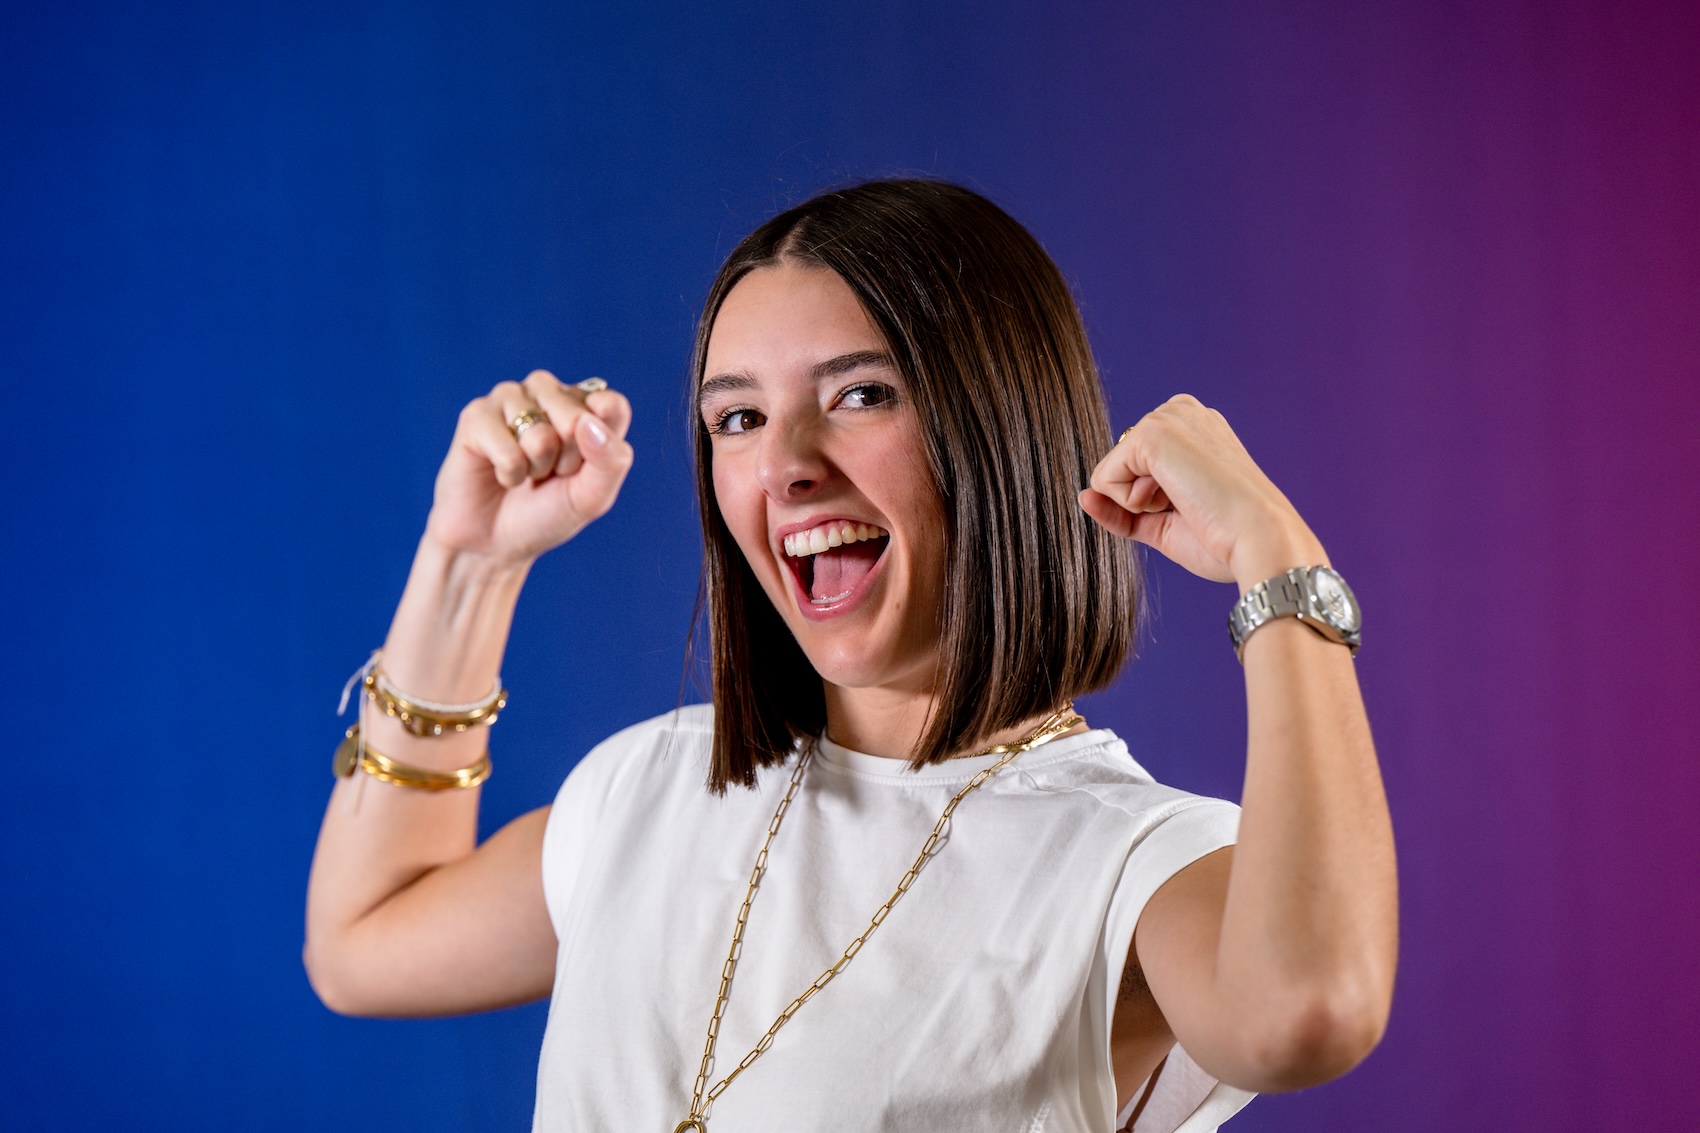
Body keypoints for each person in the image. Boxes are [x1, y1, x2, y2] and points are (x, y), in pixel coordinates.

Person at [304, 180, 1397, 1133]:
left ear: (1001, 427)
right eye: (736, 417)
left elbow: (1308, 1011)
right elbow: (361, 941)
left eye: (860, 395)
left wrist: (1277, 562)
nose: (784, 462)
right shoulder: (650, 785)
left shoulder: (1131, 860)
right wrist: (469, 562)